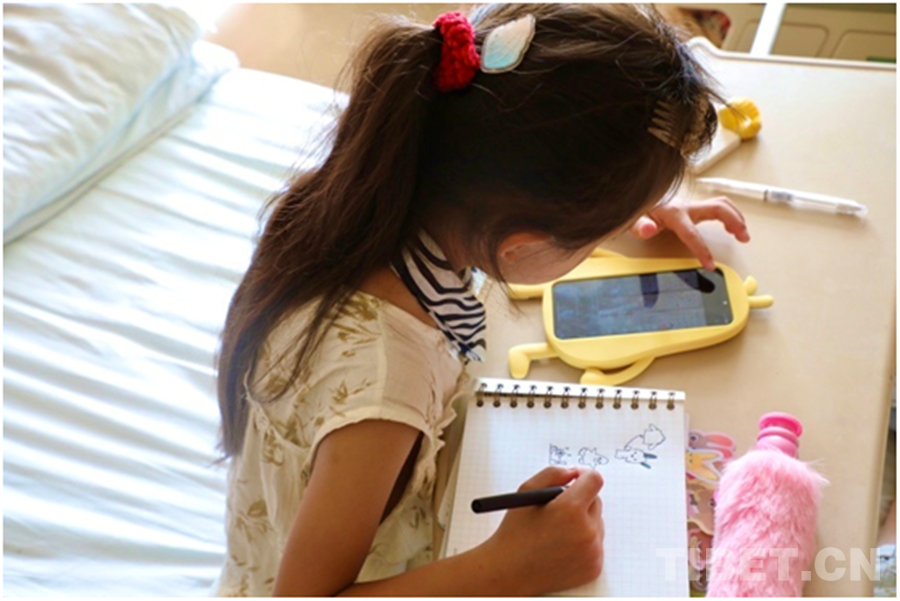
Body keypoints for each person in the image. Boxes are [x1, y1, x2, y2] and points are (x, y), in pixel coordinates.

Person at [215, 3, 750, 596]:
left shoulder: (383, 191)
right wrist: (503, 569)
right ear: (521, 243)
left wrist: (624, 204)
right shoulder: (386, 382)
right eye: (600, 234)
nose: (612, 235)